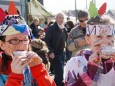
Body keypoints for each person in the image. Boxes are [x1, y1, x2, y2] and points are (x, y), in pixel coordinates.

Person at [0, 3, 56, 86]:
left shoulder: (34, 63)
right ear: (2, 45)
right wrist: (15, 77)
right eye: (14, 40)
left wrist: (39, 69)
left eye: (25, 40)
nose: (21, 45)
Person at [64, 14, 115, 86]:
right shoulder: (76, 64)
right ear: (88, 39)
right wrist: (91, 70)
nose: (105, 41)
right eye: (99, 36)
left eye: (109, 36)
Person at [45, 12, 67, 86]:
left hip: (62, 53)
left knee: (59, 72)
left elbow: (65, 40)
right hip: (54, 52)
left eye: (62, 18)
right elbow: (47, 40)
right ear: (56, 18)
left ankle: (54, 84)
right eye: (59, 17)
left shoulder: (64, 28)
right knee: (60, 71)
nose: (61, 19)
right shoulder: (51, 28)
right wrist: (51, 51)